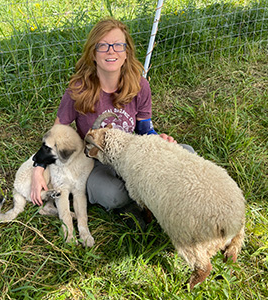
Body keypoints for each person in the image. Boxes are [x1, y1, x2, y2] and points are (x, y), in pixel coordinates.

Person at [30, 17, 194, 229]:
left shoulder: (139, 86)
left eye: (118, 45)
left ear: (126, 53)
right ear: (93, 53)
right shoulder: (78, 90)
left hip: (131, 155)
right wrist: (38, 167)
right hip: (96, 161)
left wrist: (160, 140)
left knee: (186, 152)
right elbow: (57, 133)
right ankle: (132, 205)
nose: (111, 51)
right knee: (113, 194)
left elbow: (145, 129)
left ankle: (158, 200)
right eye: (103, 46)